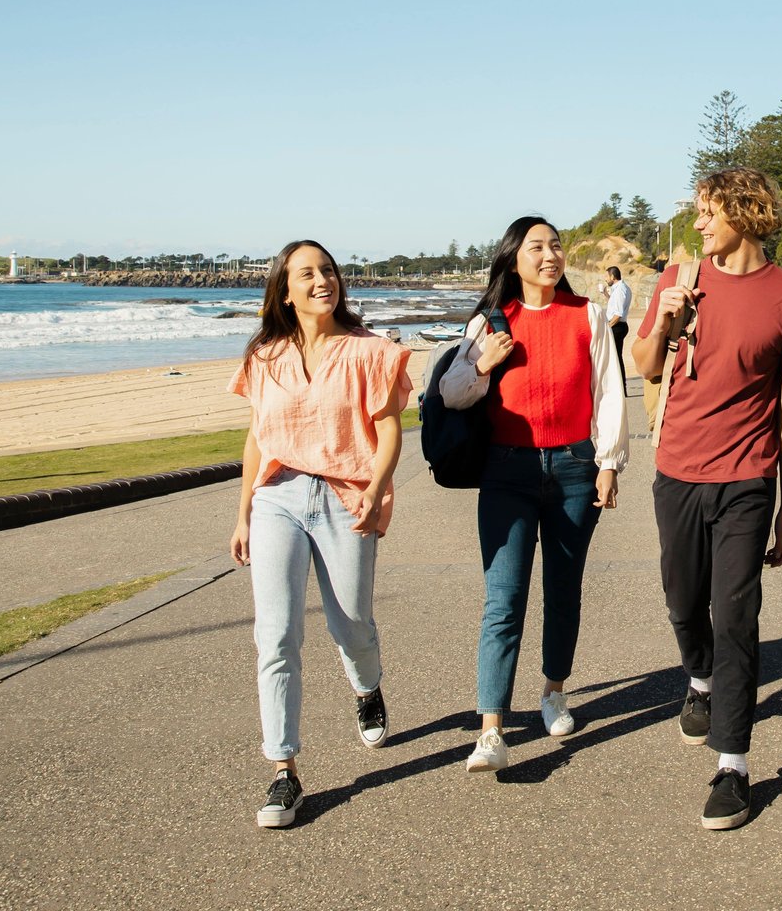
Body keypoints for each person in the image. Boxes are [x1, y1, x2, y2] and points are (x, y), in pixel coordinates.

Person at [633, 167, 782, 831]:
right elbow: (647, 366)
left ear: (744, 212)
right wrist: (667, 318)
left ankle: (733, 765)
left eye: (707, 211)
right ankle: (700, 679)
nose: (697, 224)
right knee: (683, 602)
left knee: (735, 615)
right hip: (678, 471)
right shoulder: (680, 280)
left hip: (748, 479)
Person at [228, 240, 413, 829]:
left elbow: (388, 431)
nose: (320, 281)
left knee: (350, 623)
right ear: (285, 290)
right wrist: (242, 513)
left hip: (343, 497)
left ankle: (367, 687)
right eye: (305, 274)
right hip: (277, 497)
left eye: (327, 270)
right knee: (275, 636)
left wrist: (376, 487)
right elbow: (258, 437)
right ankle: (283, 770)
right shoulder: (266, 355)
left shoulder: (370, 351)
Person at [440, 217, 627, 773]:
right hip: (506, 471)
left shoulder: (587, 315)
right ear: (513, 258)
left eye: (555, 246)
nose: (550, 255)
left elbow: (609, 392)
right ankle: (492, 730)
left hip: (574, 467)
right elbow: (451, 393)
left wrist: (609, 462)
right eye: (536, 247)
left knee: (563, 589)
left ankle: (553, 692)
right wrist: (484, 360)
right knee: (504, 599)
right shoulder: (490, 321)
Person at [602, 264, 632, 386]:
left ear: (613, 276)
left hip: (617, 327)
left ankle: (620, 387)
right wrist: (605, 294)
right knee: (615, 356)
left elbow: (618, 313)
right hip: (617, 326)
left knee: (615, 357)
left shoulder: (620, 290)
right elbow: (615, 305)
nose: (605, 279)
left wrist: (607, 327)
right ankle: (619, 386)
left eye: (607, 276)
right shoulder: (619, 289)